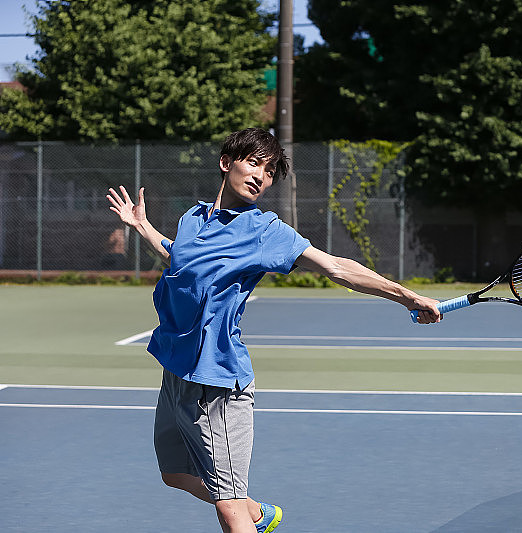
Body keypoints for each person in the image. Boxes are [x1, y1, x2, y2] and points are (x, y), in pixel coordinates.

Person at [106, 128, 442, 533]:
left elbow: (337, 267)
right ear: (226, 162)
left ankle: (248, 515)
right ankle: (261, 515)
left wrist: (406, 296)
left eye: (268, 172)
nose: (260, 177)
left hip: (217, 383)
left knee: (229, 509)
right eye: (253, 163)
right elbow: (178, 256)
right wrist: (141, 227)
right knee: (175, 475)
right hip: (175, 372)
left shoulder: (263, 230)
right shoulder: (192, 219)